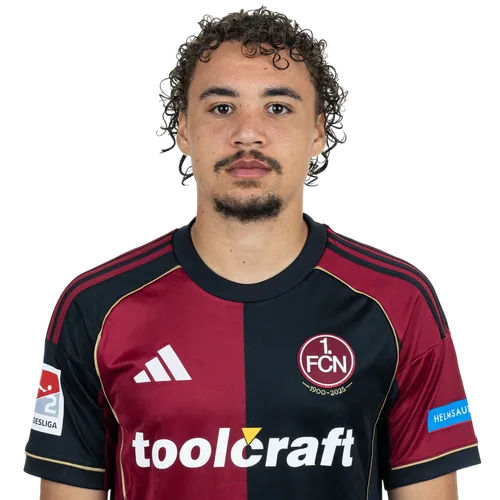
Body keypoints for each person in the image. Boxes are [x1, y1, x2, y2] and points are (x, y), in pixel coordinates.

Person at [22, 5, 482, 499]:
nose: (247, 132)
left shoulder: (399, 301)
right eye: (222, 107)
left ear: (318, 132)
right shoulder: (95, 305)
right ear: (183, 130)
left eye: (277, 107)